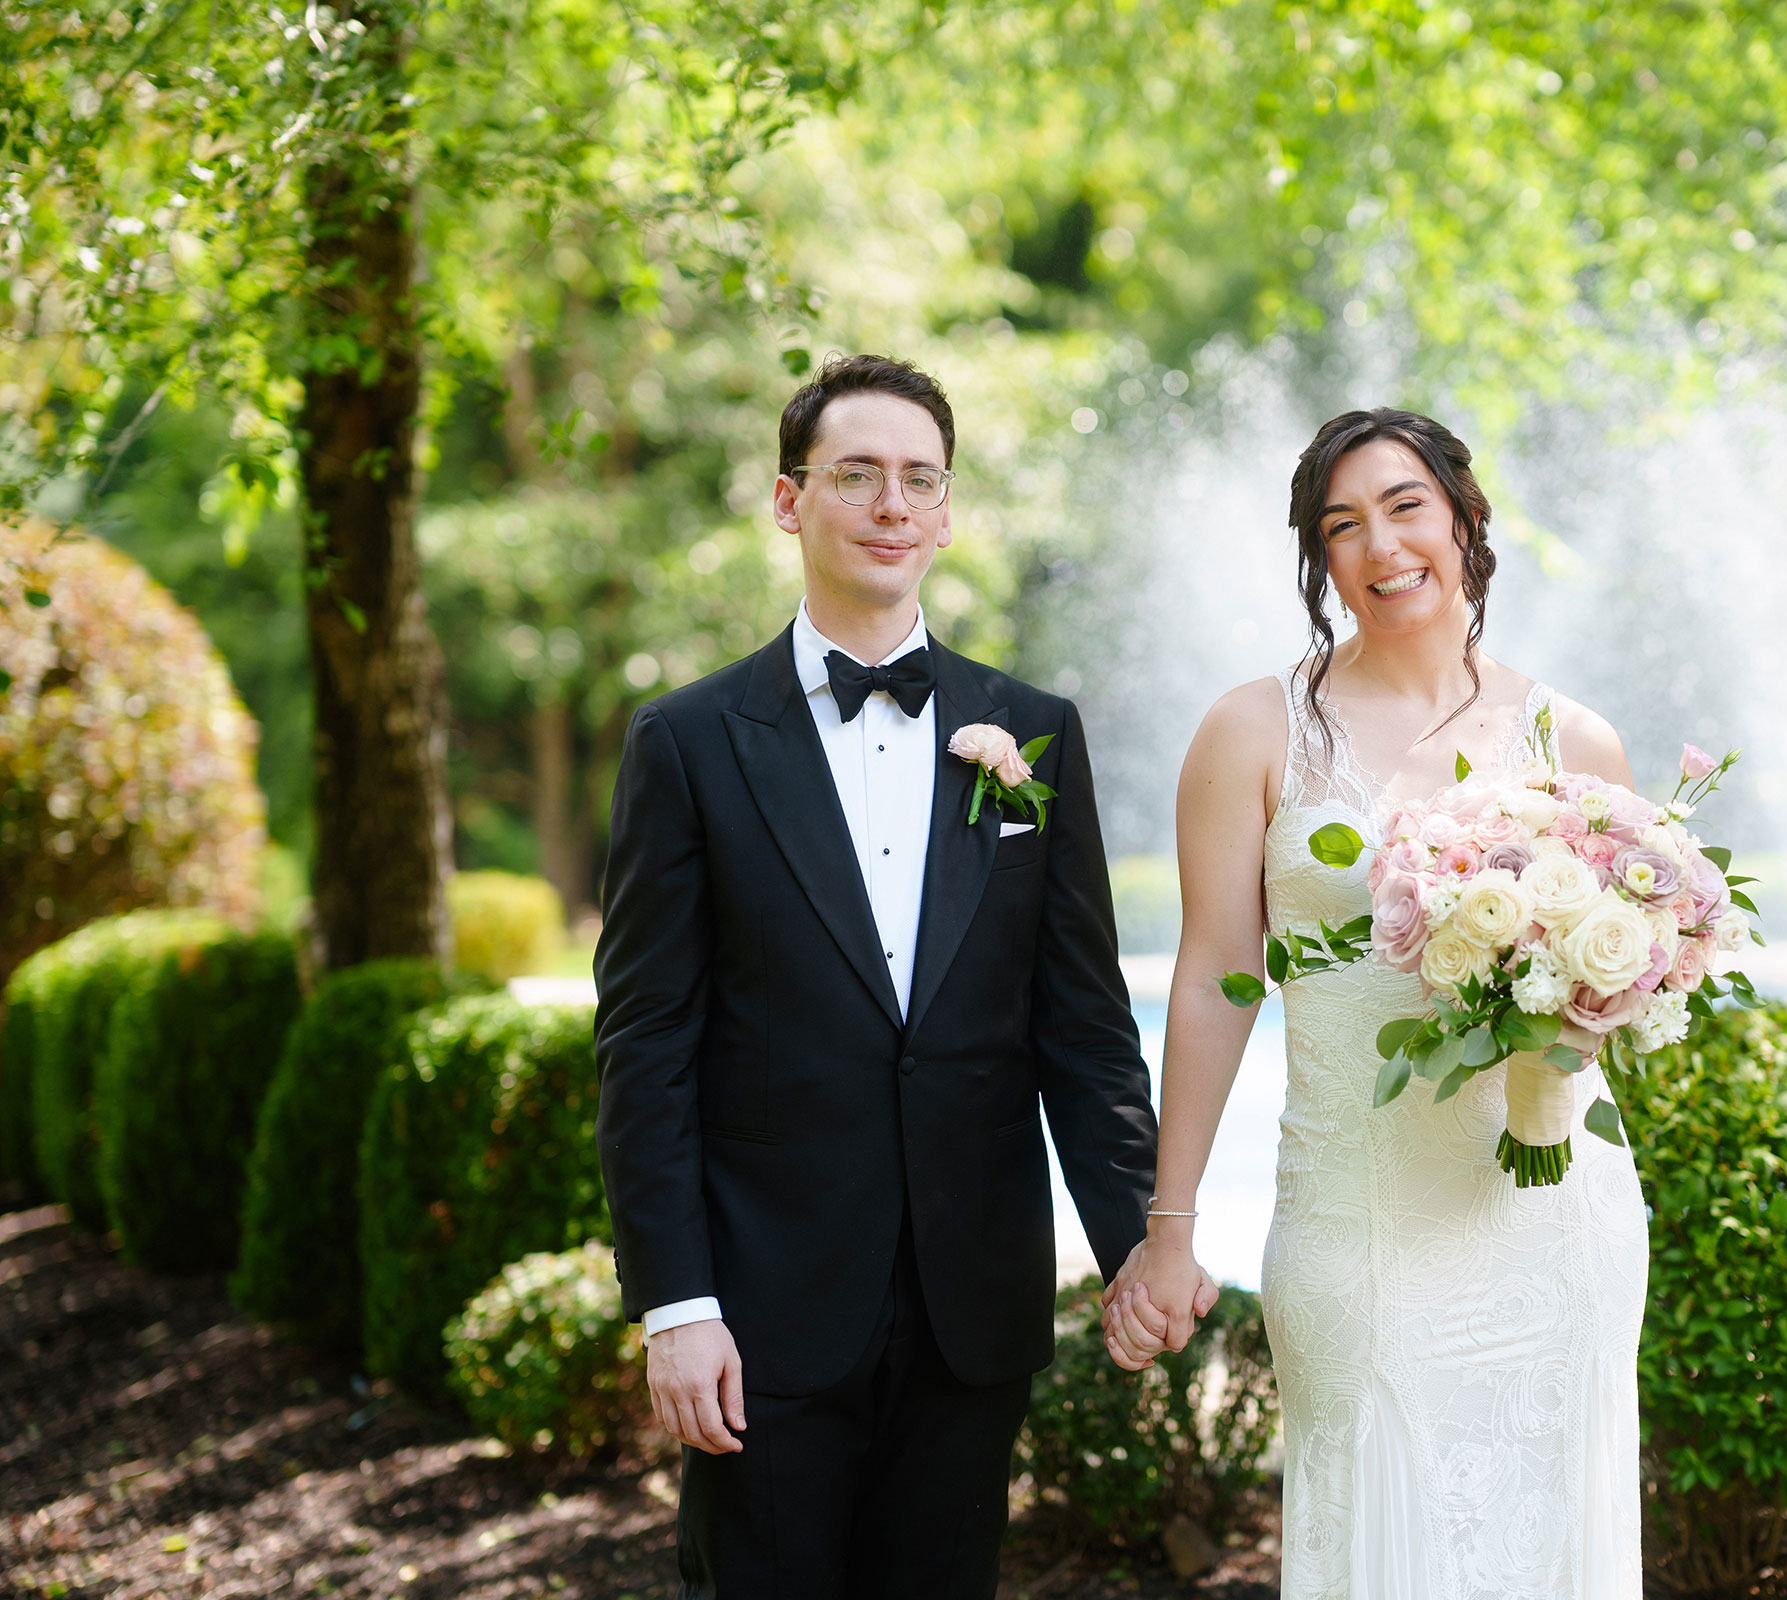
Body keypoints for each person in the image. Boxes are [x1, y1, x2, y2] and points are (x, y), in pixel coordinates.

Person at [594, 353, 1163, 1599]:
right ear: (791, 501)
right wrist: (675, 1303)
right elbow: (646, 1046)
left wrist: (1140, 1234)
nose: (892, 504)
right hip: (763, 1308)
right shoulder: (687, 742)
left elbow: (1083, 1023)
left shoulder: (1036, 730)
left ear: (949, 511)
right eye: (856, 475)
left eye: (920, 478)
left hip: (973, 1308)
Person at [1102, 408, 1651, 1596]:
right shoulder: (1254, 730)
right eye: (1340, 524)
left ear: (1462, 519)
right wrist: (1170, 1222)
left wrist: (1590, 1001)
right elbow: (1209, 978)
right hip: (1354, 1215)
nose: (1381, 544)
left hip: (1551, 1223)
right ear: (1320, 560)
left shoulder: (1576, 740)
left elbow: (1632, 977)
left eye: (1406, 505)